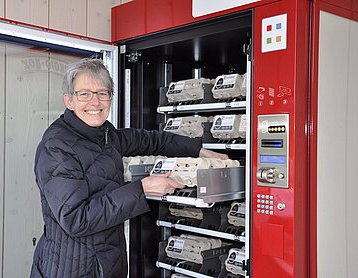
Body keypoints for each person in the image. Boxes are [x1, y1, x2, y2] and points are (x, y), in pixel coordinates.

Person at [30, 58, 228, 278]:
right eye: (84, 94)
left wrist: (198, 150)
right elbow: (77, 219)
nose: (95, 102)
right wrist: (141, 189)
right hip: (70, 268)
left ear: (111, 98)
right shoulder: (57, 147)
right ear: (69, 101)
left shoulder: (105, 136)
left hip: (104, 263)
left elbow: (152, 141)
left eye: (102, 93)